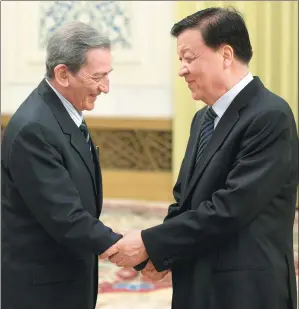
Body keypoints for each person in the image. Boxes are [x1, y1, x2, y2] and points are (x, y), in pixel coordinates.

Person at [101, 7, 298, 309]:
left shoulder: (269, 116)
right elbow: (185, 201)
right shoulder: (203, 119)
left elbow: (230, 208)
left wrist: (149, 243)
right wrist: (159, 256)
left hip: (246, 291)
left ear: (226, 55)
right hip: (198, 284)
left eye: (189, 58)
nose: (182, 69)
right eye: (180, 59)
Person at [1, 21, 122, 309]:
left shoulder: (62, 113)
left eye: (108, 75)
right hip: (42, 291)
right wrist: (128, 248)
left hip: (66, 277)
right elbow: (65, 217)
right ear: (63, 74)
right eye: (98, 77)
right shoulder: (35, 128)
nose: (105, 87)